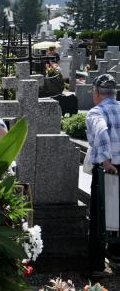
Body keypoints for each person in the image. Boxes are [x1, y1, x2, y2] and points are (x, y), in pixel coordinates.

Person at [86, 74, 120, 276]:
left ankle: (97, 266)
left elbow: (101, 132)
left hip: (109, 169)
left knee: (101, 217)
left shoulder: (96, 112)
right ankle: (117, 257)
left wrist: (106, 160)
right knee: (117, 214)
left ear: (97, 93)